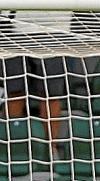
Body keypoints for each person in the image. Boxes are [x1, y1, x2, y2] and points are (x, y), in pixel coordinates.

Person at [1, 11, 72, 156]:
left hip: (55, 29)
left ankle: (51, 149)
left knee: (50, 94)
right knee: (14, 92)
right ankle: (13, 146)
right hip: (15, 30)